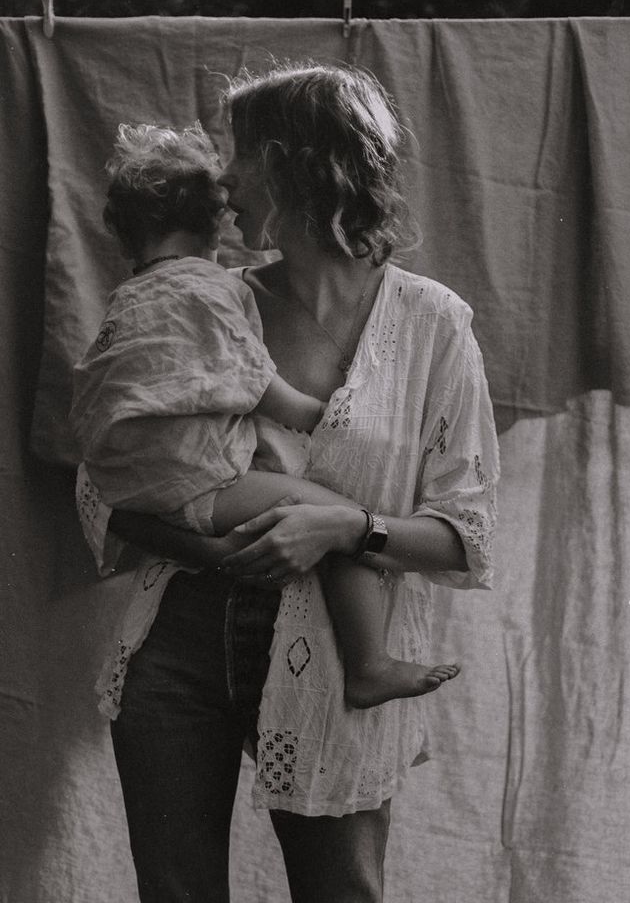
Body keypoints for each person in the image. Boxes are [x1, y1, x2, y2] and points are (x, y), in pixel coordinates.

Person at [77, 63, 499, 903]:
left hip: (339, 658)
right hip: (181, 638)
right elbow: (109, 481)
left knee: (342, 892)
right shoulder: (196, 300)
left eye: (242, 156)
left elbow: (464, 534)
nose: (224, 181)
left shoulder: (432, 326)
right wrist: (218, 546)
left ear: (301, 163)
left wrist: (345, 530)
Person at [71, 120, 459, 710]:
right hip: (200, 492)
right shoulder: (208, 289)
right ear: (210, 224)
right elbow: (255, 383)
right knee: (337, 514)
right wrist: (325, 413)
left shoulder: (130, 300)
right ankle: (369, 665)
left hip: (140, 488)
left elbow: (112, 418)